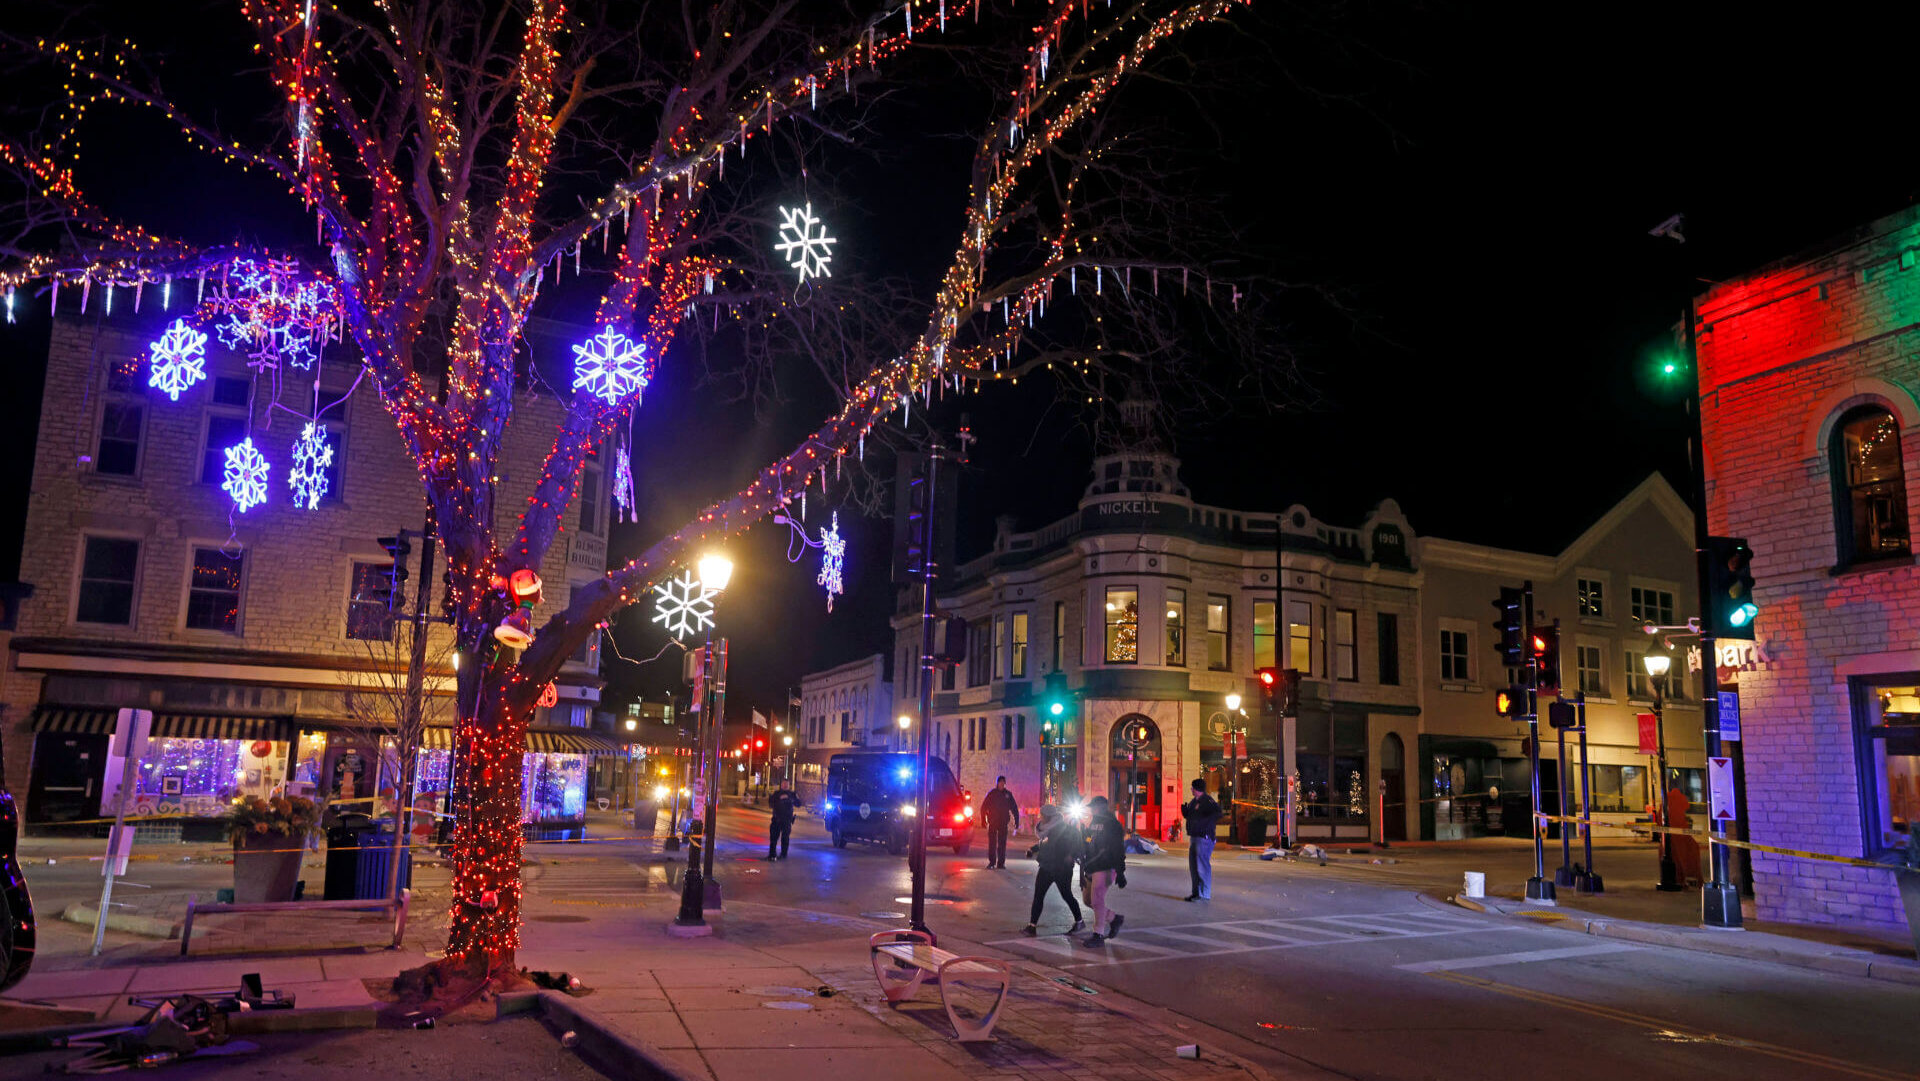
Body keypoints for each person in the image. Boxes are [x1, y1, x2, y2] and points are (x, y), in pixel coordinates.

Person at [1020, 805, 1085, 937]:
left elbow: (1070, 845)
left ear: (1049, 816)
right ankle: (1032, 926)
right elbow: (1044, 842)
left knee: (1066, 894)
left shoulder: (1062, 829)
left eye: (1042, 815)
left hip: (1061, 869)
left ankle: (1079, 921)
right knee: (1039, 895)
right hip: (1047, 866)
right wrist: (1033, 849)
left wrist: (1070, 856)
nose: (1040, 818)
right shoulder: (1047, 828)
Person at [1079, 795, 1127, 945]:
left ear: (1102, 807)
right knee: (1088, 901)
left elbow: (1118, 849)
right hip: (1092, 866)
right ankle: (1114, 918)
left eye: (1094, 807)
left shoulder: (1113, 824)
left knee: (1097, 900)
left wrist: (1120, 872)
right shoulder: (1093, 822)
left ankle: (1098, 935)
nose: (1092, 810)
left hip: (1106, 866)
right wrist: (1084, 836)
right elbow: (1089, 842)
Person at [1181, 778, 1222, 901]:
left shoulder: (1207, 801)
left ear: (1197, 788)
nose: (1191, 789)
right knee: (1194, 867)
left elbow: (1218, 813)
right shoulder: (1194, 801)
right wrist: (1186, 813)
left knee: (1202, 866)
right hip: (1194, 836)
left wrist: (1205, 822)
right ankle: (1196, 892)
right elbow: (1193, 817)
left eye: (1192, 787)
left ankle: (1204, 894)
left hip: (1204, 838)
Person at [981, 776, 1020, 868]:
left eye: (1003, 783)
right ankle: (992, 862)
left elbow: (1014, 808)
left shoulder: (1008, 795)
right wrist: (983, 820)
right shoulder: (992, 794)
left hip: (1003, 822)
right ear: (997, 783)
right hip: (993, 822)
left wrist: (1016, 821)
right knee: (992, 843)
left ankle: (1001, 863)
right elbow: (984, 807)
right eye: (1000, 782)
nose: (1002, 784)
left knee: (1002, 844)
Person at [766, 781, 798, 860]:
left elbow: (799, 803)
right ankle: (772, 854)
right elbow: (771, 804)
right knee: (773, 838)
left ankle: (783, 854)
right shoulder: (776, 793)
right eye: (784, 784)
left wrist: (790, 799)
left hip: (787, 820)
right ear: (781, 785)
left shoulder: (792, 794)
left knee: (785, 838)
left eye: (787, 784)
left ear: (789, 785)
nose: (785, 785)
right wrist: (779, 799)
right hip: (777, 819)